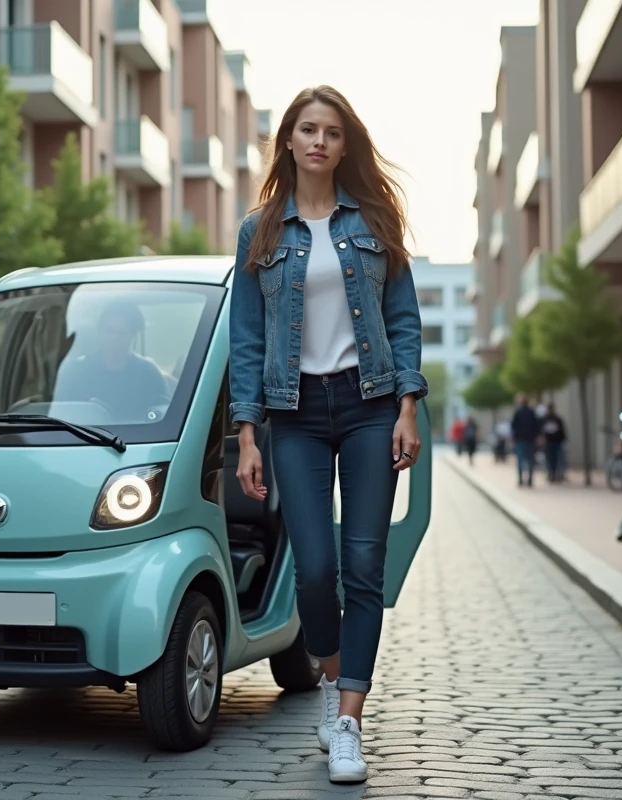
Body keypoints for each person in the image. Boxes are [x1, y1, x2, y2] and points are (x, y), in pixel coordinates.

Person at [228, 85, 426, 784]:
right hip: (297, 413)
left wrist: (407, 404)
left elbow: (401, 317)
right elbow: (246, 338)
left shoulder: (373, 219)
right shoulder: (260, 232)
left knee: (363, 567)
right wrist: (246, 433)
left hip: (371, 404)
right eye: (307, 129)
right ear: (288, 140)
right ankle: (333, 673)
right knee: (314, 571)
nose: (319, 141)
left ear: (346, 145)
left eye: (332, 132)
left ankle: (348, 720)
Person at [53, 300, 168, 422]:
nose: (114, 338)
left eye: (121, 332)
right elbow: (61, 417)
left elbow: (163, 415)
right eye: (109, 331)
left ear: (132, 336)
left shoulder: (148, 372)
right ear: (99, 332)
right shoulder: (75, 372)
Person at [510, 394, 541, 487]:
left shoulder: (518, 412)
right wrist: (536, 436)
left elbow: (513, 426)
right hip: (530, 440)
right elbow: (537, 426)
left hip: (520, 440)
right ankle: (530, 480)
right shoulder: (532, 412)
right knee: (530, 460)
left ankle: (520, 480)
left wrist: (514, 437)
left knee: (520, 460)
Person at [540, 402, 567, 482]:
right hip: (549, 442)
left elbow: (562, 430)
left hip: (556, 441)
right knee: (549, 458)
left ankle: (554, 473)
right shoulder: (545, 419)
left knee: (555, 458)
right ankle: (551, 473)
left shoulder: (556, 419)